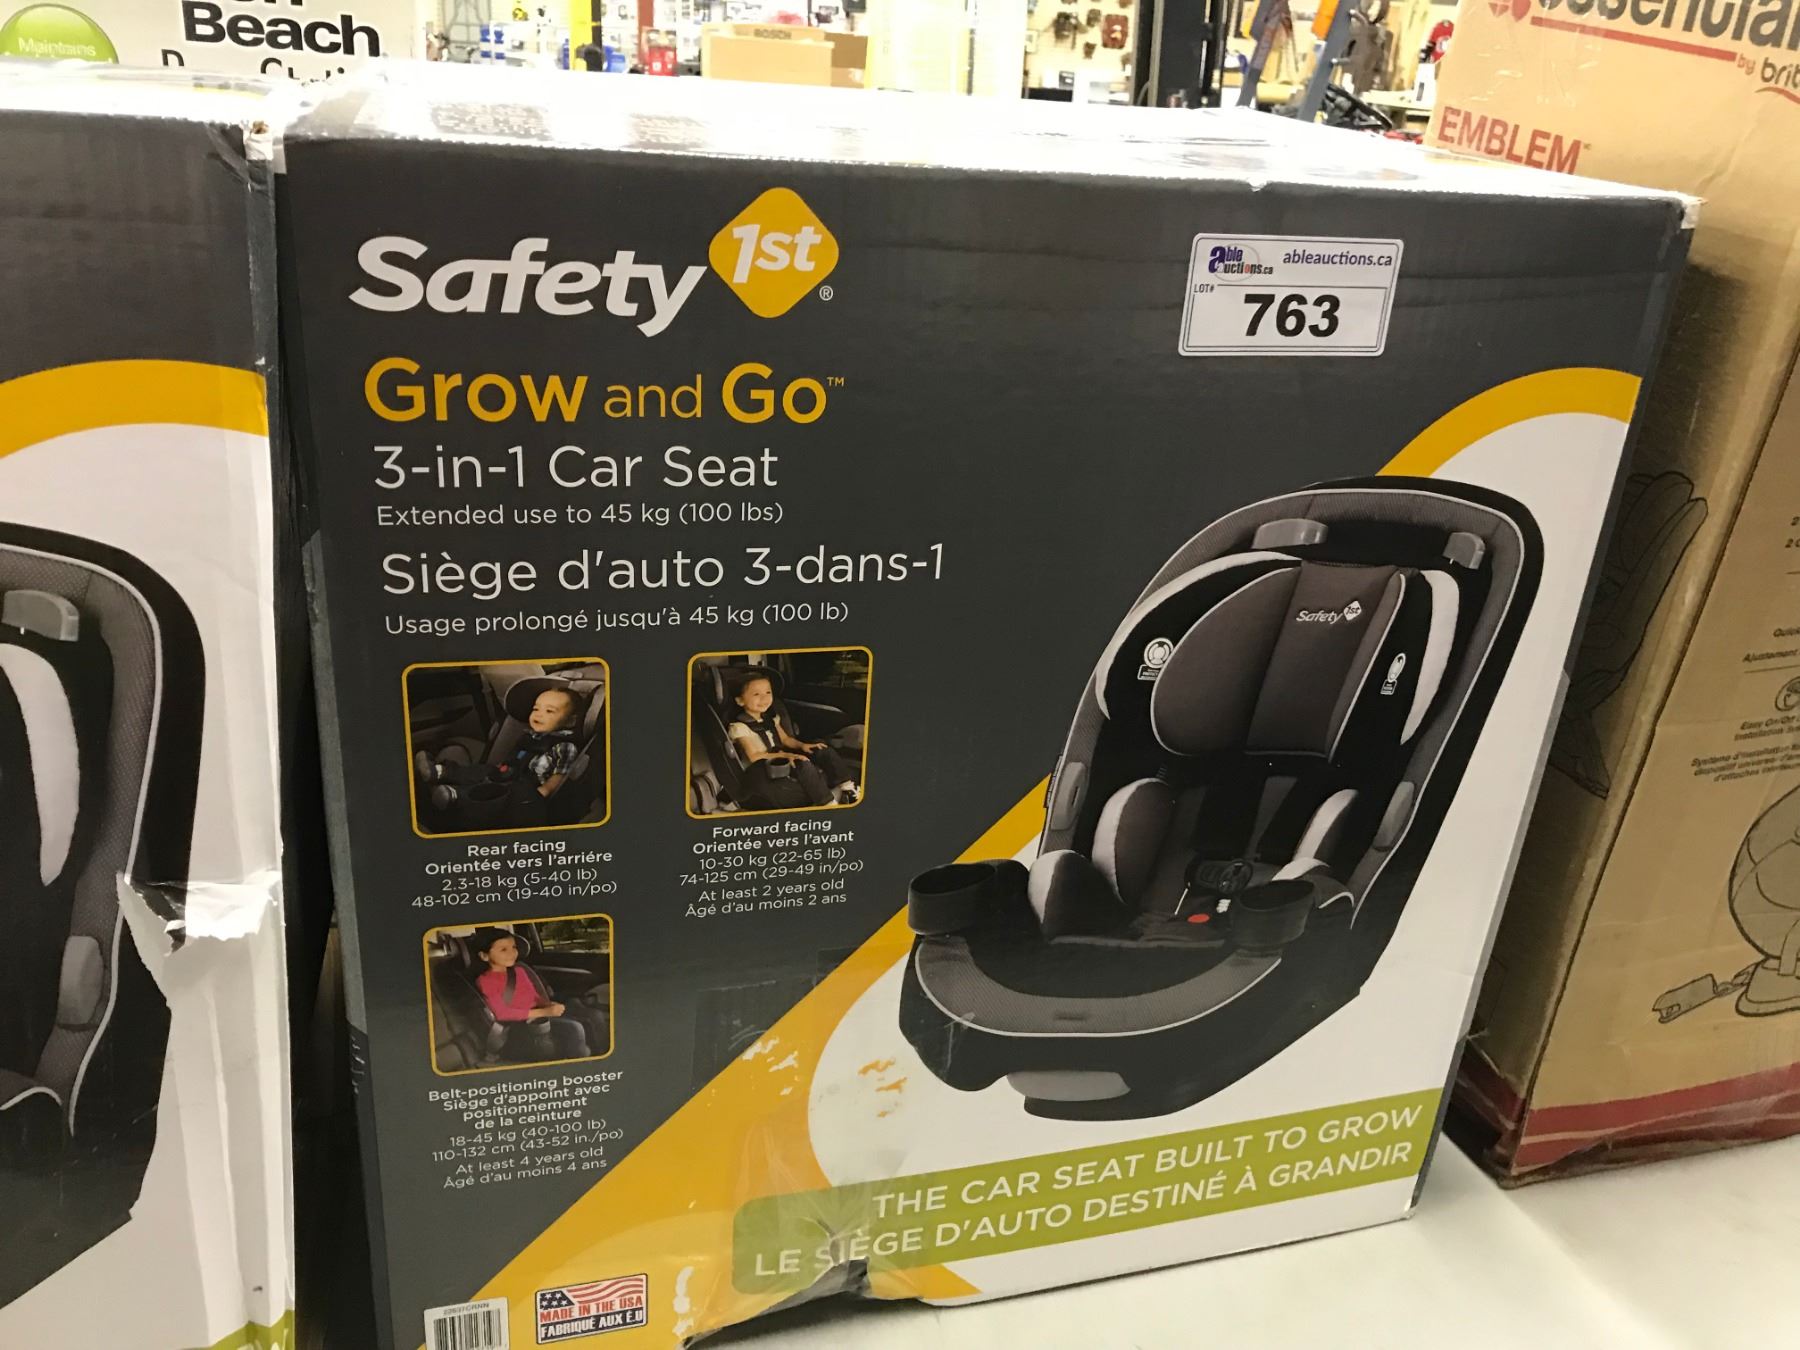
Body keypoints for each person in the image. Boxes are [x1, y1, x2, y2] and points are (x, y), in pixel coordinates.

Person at [419, 684, 587, 823]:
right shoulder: (530, 736)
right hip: (510, 773)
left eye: (549, 711)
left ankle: (456, 797)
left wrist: (544, 792)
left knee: (500, 794)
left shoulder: (565, 746)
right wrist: (500, 768)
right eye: (536, 708)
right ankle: (440, 771)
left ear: (570, 721)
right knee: (483, 770)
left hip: (527, 789)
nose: (538, 714)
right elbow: (516, 756)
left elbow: (560, 776)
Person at [727, 672, 858, 806]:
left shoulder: (770, 719)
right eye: (756, 694)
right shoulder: (739, 727)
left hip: (781, 756)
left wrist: (802, 746)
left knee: (823, 750)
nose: (764, 698)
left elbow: (785, 740)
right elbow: (754, 757)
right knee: (802, 763)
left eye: (768, 692)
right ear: (740, 701)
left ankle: (848, 788)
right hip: (763, 766)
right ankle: (827, 802)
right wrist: (787, 755)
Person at [468, 928, 588, 1062]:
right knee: (574, 1028)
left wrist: (547, 1004)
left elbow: (535, 997)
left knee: (592, 1016)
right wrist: (545, 1011)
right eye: (503, 949)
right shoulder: (485, 981)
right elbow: (502, 1014)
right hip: (519, 1026)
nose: (512, 952)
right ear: (484, 956)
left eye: (513, 947)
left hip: (538, 1016)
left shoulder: (519, 971)